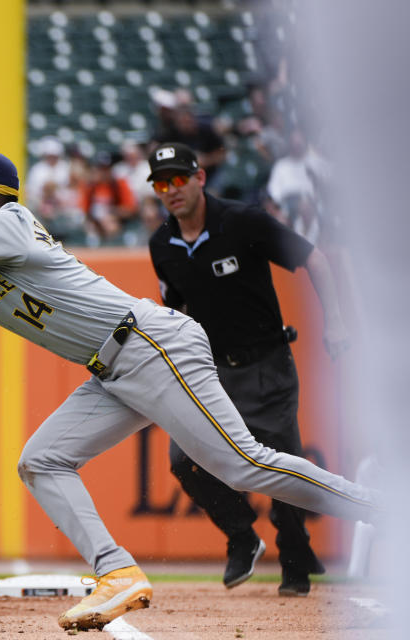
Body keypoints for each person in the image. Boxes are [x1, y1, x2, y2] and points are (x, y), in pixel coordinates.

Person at [0, 147, 382, 631]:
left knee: (243, 465)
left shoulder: (7, 223)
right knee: (43, 460)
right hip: (113, 367)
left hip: (152, 344)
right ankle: (116, 572)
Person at [146, 142, 347, 596]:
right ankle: (241, 535)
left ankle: (296, 560)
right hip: (210, 372)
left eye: (179, 178)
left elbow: (313, 257)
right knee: (184, 460)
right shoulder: (163, 245)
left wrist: (334, 322)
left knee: (286, 471)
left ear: (199, 177)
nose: (171, 190)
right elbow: (173, 310)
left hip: (267, 365)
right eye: (162, 183)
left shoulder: (243, 221)